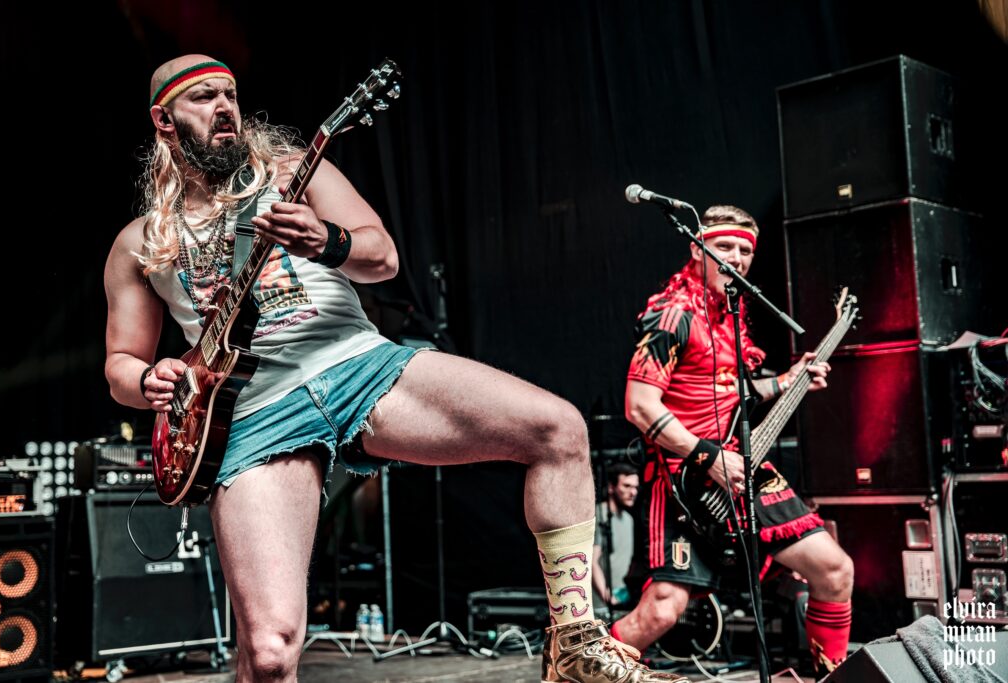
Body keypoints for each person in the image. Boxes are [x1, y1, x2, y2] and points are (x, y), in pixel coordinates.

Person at [103, 55, 686, 682]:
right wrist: (148, 380)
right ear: (164, 121)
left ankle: (574, 644)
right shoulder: (140, 241)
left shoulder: (294, 171)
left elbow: (382, 258)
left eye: (230, 95)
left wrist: (328, 241)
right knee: (268, 654)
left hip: (358, 366)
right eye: (203, 98)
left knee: (558, 428)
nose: (224, 108)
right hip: (256, 414)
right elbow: (120, 365)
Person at [612, 206, 854, 675]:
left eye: (745, 250)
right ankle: (572, 672)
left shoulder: (728, 317)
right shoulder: (673, 314)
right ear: (696, 250)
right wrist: (709, 458)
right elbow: (639, 406)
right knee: (662, 610)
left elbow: (727, 392)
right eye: (724, 246)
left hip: (742, 465)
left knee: (834, 569)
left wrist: (787, 381)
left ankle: (832, 676)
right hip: (685, 478)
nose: (736, 257)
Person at [593, 462, 639, 616]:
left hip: (622, 602)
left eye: (635, 487)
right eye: (627, 486)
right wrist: (608, 597)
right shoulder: (599, 514)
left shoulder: (629, 520)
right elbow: (591, 562)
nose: (633, 492)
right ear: (611, 487)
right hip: (600, 605)